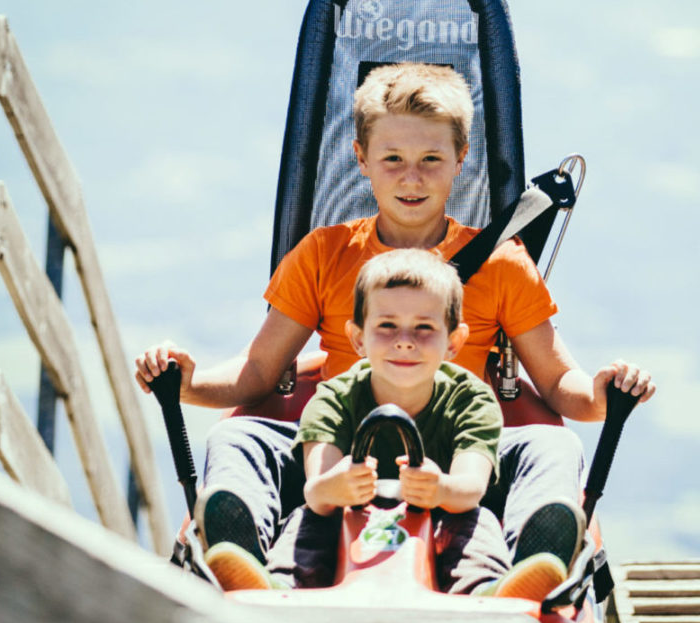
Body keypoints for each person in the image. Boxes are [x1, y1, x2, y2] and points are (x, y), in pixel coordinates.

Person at [134, 62, 655, 590]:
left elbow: (558, 382)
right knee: (235, 436)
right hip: (337, 444)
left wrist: (602, 395)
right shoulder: (323, 254)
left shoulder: (503, 264)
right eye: (393, 159)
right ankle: (242, 558)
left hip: (462, 450)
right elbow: (258, 372)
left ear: (460, 159)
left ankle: (532, 567)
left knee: (557, 447)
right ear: (361, 159)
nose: (412, 177)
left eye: (431, 159)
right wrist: (188, 382)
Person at [203, 248, 567, 598]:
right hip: (343, 516)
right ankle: (265, 579)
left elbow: (470, 487)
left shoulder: (471, 399)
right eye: (387, 326)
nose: (404, 342)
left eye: (424, 328)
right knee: (306, 519)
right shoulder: (334, 398)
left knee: (476, 522)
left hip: (445, 513)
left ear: (454, 341)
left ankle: (504, 584)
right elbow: (317, 491)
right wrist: (337, 486)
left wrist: (442, 489)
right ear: (358, 338)